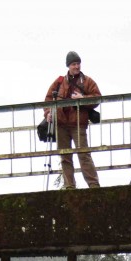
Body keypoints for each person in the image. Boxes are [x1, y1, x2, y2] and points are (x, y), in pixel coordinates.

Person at [44, 51, 101, 189]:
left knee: (84, 155)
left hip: (78, 125)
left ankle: (94, 186)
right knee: (65, 157)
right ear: (68, 66)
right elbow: (48, 99)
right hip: (61, 125)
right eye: (74, 64)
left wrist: (82, 98)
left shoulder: (87, 81)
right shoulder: (59, 82)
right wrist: (47, 113)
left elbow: (97, 98)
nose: (77, 66)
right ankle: (69, 186)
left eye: (78, 63)